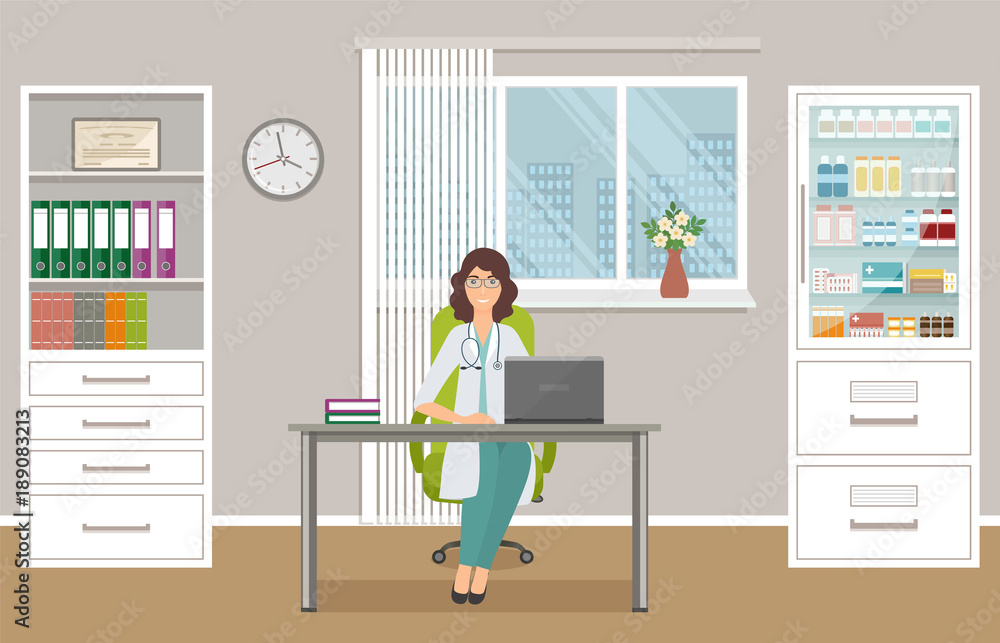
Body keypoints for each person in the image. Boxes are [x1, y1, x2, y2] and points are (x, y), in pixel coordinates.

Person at [413, 247, 535, 605]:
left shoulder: (510, 339)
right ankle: (469, 569)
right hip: (468, 435)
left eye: (492, 281)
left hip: (510, 435)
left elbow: (532, 393)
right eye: (475, 280)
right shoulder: (456, 339)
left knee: (512, 460)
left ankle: (477, 569)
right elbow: (424, 400)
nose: (483, 288)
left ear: (503, 289)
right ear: (463, 287)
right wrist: (464, 419)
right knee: (486, 469)